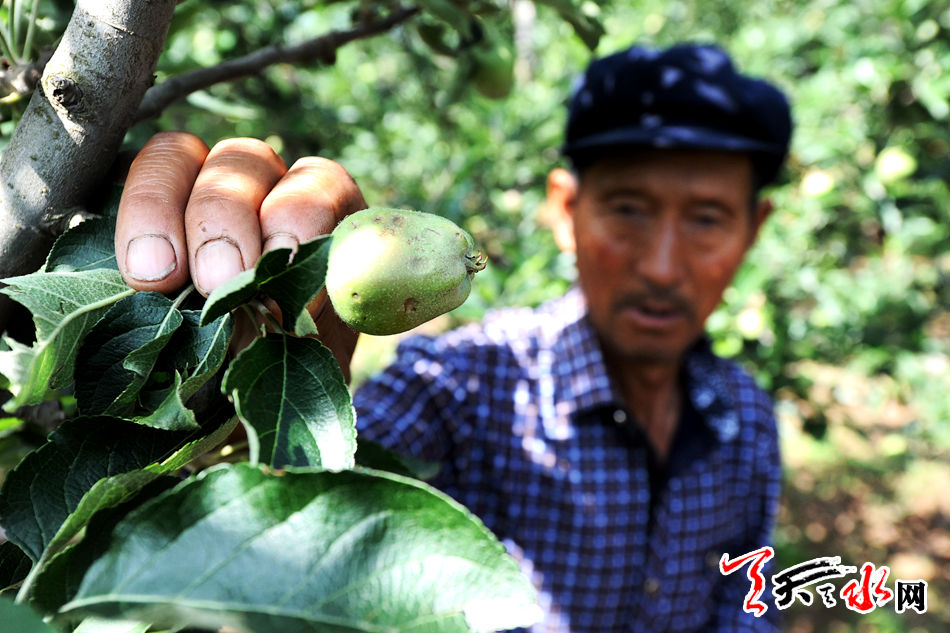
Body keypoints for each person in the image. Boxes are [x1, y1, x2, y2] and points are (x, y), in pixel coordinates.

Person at [114, 42, 792, 633]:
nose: (663, 265)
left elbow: (744, 603)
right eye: (628, 209)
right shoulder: (460, 387)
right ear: (565, 209)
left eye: (707, 218)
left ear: (755, 230)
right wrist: (242, 414)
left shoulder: (747, 417)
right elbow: (291, 572)